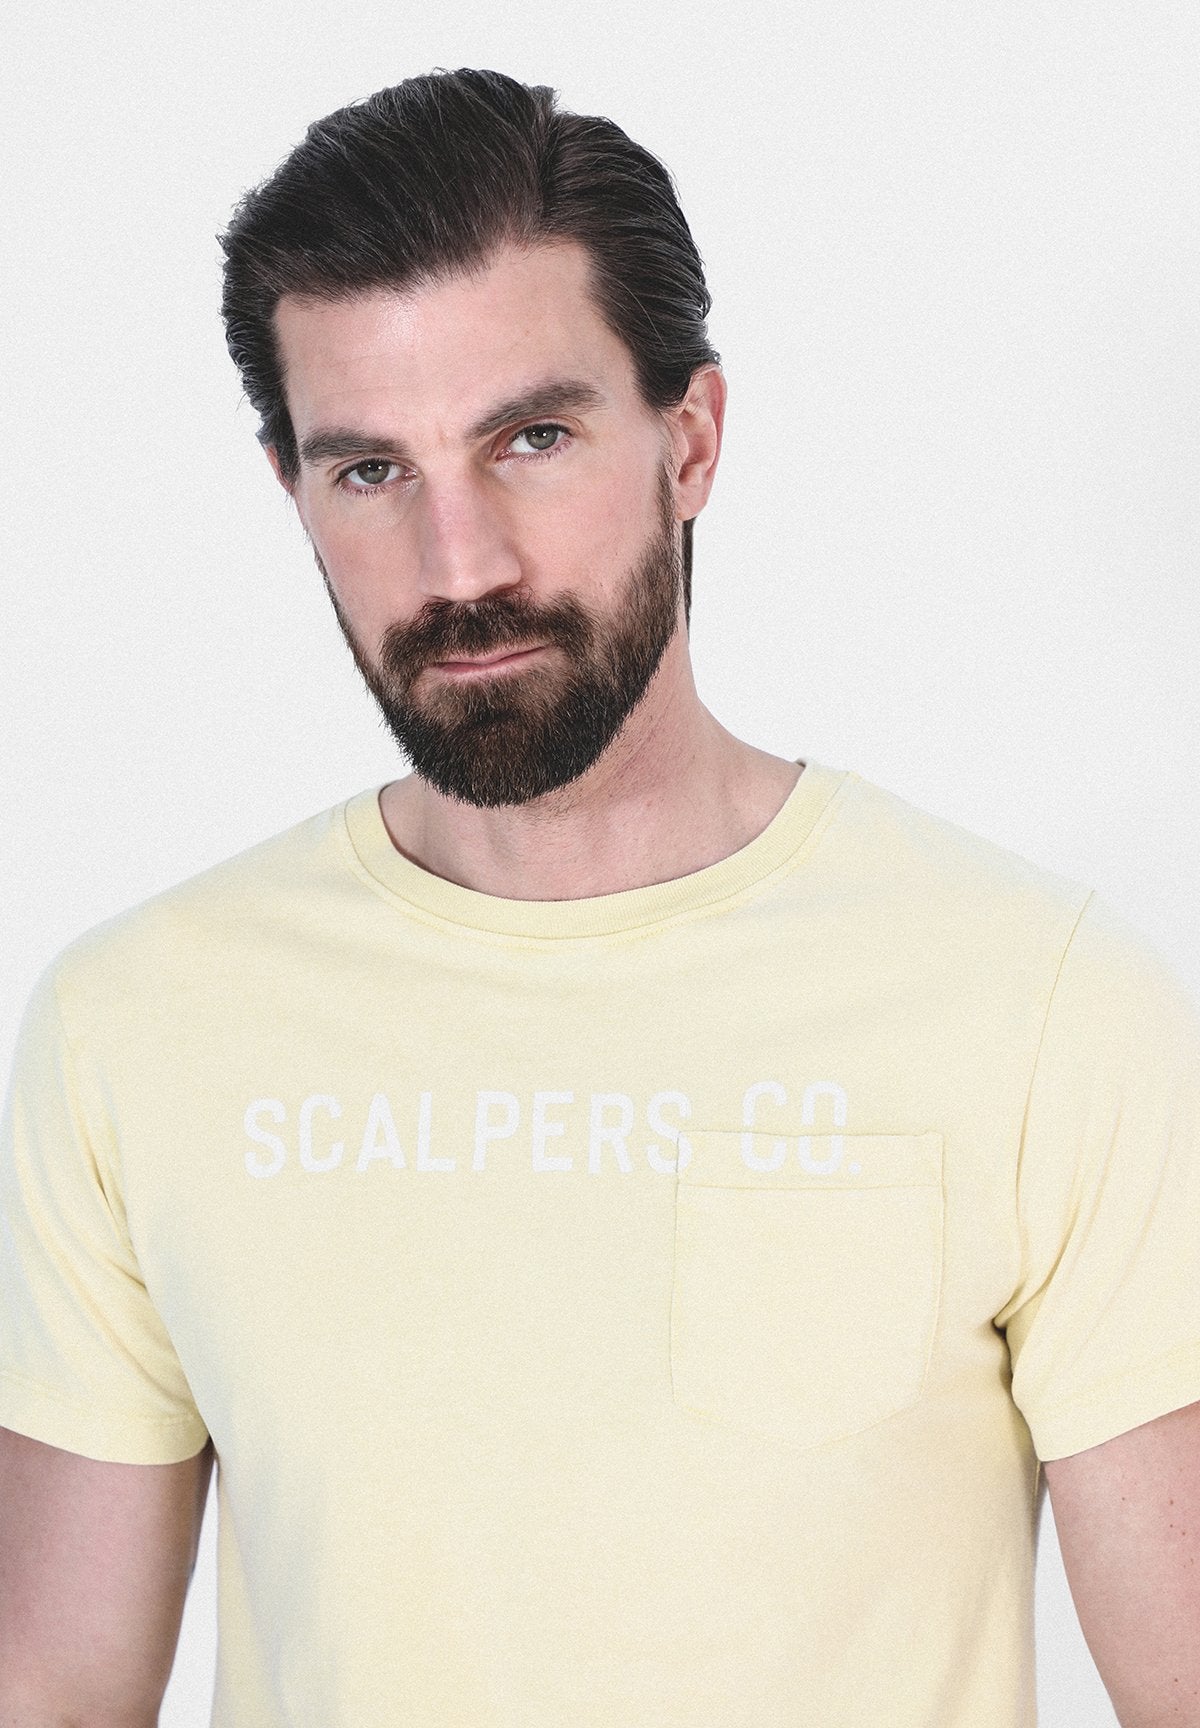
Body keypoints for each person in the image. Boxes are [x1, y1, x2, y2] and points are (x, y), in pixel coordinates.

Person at [0, 66, 1196, 1728]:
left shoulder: (1041, 1002)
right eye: (371, 471)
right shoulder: (134, 1027)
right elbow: (55, 1690)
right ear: (292, 489)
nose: (461, 564)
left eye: (532, 439)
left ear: (688, 441)